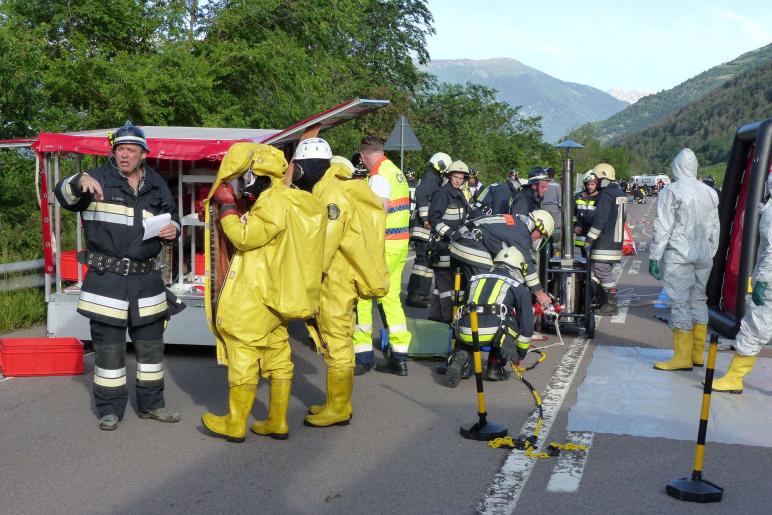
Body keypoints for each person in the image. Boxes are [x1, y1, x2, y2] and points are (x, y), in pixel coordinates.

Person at [54, 121, 182, 431]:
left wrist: (173, 231)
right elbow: (64, 195)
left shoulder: (157, 184)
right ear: (113, 152)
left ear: (143, 154)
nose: (124, 155)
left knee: (151, 351)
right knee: (109, 352)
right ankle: (110, 410)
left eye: (131, 150)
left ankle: (152, 405)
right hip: (107, 281)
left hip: (146, 281)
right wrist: (78, 180)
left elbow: (173, 218)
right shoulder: (96, 178)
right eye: (120, 149)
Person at [201, 142, 325, 442]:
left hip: (255, 294)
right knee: (277, 353)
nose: (239, 185)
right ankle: (276, 421)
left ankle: (235, 423)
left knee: (243, 353)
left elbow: (245, 237)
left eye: (242, 179)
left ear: (255, 176)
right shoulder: (297, 200)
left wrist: (227, 206)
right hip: (278, 295)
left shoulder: (271, 202)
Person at [304, 152, 389, 427]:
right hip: (343, 275)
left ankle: (338, 408)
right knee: (342, 338)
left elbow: (326, 243)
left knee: (336, 341)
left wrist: (309, 276)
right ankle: (339, 403)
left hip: (336, 278)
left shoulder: (331, 193)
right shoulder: (344, 187)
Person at [449, 210, 555, 380]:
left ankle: (462, 354)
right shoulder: (522, 233)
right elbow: (527, 264)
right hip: (471, 246)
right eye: (540, 235)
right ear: (537, 227)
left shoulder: (514, 223)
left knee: (475, 299)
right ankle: (493, 365)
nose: (538, 239)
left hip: (458, 244)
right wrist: (540, 293)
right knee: (490, 300)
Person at [649, 149, 720, 371]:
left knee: (680, 302)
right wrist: (710, 252)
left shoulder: (671, 191)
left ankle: (682, 357)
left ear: (677, 166)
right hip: (703, 253)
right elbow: (715, 227)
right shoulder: (709, 192)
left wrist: (655, 256)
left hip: (679, 253)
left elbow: (663, 226)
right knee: (699, 300)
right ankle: (697, 354)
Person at [353, 135, 413, 376]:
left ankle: (363, 356)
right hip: (399, 244)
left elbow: (378, 213)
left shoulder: (378, 176)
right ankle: (399, 357)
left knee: (363, 296)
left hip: (382, 246)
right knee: (390, 299)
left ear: (362, 156)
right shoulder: (395, 172)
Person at [710, 171, 772, 393]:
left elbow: (771, 251)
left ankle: (734, 377)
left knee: (753, 327)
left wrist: (763, 280)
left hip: (769, 281)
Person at [448, 246, 534, 387]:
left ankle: (463, 356)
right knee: (508, 319)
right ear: (518, 269)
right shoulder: (518, 287)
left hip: (465, 331)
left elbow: (464, 304)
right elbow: (527, 325)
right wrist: (519, 354)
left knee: (473, 316)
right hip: (493, 333)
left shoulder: (475, 279)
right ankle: (495, 367)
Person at [405, 152, 452, 308]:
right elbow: (421, 196)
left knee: (426, 262)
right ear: (441, 165)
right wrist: (426, 218)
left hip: (424, 227)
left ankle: (421, 294)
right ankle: (414, 296)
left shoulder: (433, 177)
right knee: (422, 262)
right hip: (421, 226)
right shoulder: (430, 177)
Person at [428, 160, 470, 323]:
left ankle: (436, 314)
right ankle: (447, 318)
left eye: (461, 178)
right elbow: (434, 219)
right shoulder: (442, 193)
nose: (458, 180)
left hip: (453, 245)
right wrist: (450, 233)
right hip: (442, 245)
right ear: (449, 176)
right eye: (455, 177)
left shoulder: (459, 195)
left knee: (440, 284)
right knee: (446, 283)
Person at [584, 163, 627, 315]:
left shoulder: (607, 194)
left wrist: (589, 238)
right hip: (616, 240)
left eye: (598, 179)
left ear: (604, 178)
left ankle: (610, 305)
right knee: (601, 271)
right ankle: (601, 301)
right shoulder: (620, 193)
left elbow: (601, 219)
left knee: (601, 270)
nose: (597, 183)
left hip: (605, 241)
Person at [573, 171, 600, 257]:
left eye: (592, 184)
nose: (590, 187)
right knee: (584, 258)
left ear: (597, 185)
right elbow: (572, 213)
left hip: (595, 232)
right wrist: (575, 224)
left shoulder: (601, 197)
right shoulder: (578, 196)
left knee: (594, 258)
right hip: (582, 232)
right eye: (588, 184)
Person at [541, 167, 562, 250]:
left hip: (544, 207)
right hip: (555, 208)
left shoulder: (543, 184)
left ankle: (545, 242)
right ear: (554, 175)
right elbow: (560, 199)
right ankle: (555, 244)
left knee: (545, 225)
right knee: (556, 227)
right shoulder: (556, 185)